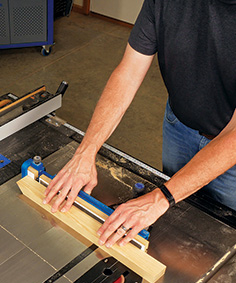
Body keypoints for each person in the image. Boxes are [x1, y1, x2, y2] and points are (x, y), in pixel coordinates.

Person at [43, 0, 236, 248]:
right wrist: (86, 151)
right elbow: (129, 72)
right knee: (178, 224)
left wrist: (162, 196)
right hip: (180, 124)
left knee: (223, 237)